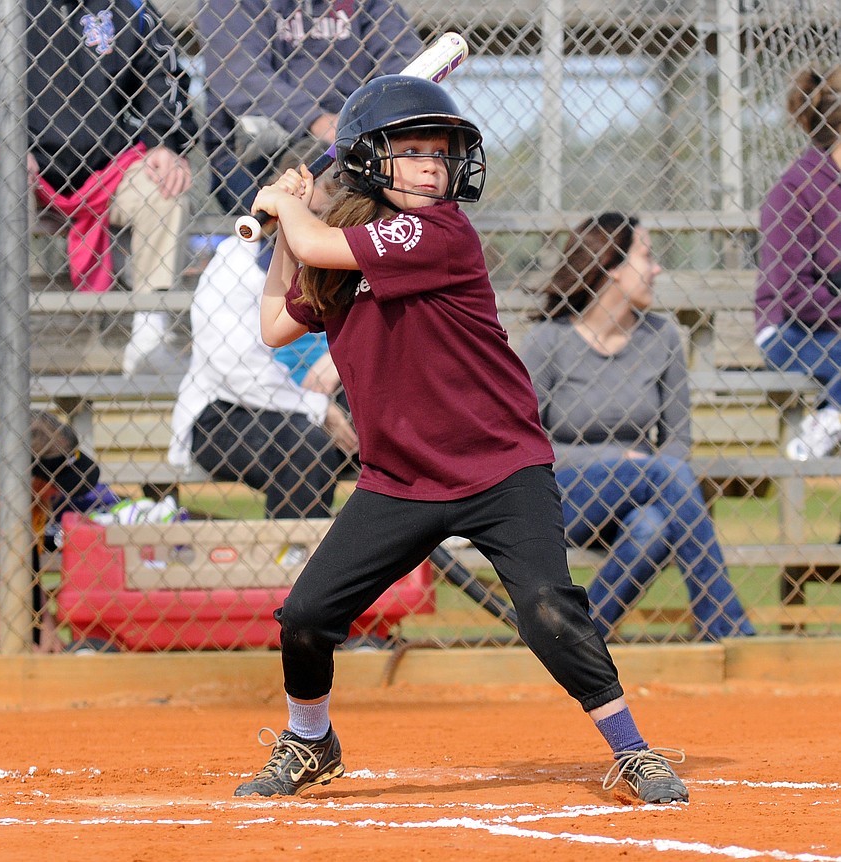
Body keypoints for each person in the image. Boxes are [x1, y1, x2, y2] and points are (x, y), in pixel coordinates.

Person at [231, 76, 689, 805]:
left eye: (439, 154)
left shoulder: (439, 231)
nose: (432, 168)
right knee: (308, 617)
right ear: (369, 162)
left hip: (499, 467)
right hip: (398, 480)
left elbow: (317, 236)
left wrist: (290, 204)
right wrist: (290, 230)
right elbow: (276, 325)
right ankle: (310, 740)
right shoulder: (345, 252)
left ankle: (633, 750)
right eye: (411, 153)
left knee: (546, 608)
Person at [520, 213, 756, 644]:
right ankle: (726, 625)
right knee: (662, 473)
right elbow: (525, 443)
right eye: (646, 256)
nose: (657, 269)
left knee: (653, 529)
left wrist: (644, 469)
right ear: (611, 266)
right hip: (563, 495)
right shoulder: (548, 341)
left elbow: (678, 439)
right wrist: (613, 460)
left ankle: (577, 642)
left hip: (643, 492)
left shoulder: (661, 337)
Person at [0, 0, 198, 377]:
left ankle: (150, 336)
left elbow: (163, 75)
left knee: (166, 187)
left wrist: (164, 141)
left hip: (107, 166)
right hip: (20, 164)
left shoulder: (128, 5)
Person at [168, 190, 357, 519]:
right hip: (229, 411)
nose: (312, 225)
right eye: (303, 213)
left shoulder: (347, 252)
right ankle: (296, 558)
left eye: (325, 215)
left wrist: (344, 357)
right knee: (305, 447)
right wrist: (317, 407)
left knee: (396, 420)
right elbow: (237, 372)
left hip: (327, 401)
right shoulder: (235, 264)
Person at [196, 0, 422, 214]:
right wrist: (317, 120)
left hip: (353, 136)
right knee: (309, 187)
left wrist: (364, 121)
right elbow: (240, 75)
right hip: (262, 147)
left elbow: (405, 66)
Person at [755, 66, 841, 461]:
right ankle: (830, 418)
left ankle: (831, 412)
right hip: (789, 330)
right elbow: (791, 293)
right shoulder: (794, 189)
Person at [0, 411, 103, 653]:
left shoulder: (25, 506)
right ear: (24, 478)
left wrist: (47, 628)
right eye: (54, 482)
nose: (58, 493)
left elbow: (27, 574)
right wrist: (21, 646)